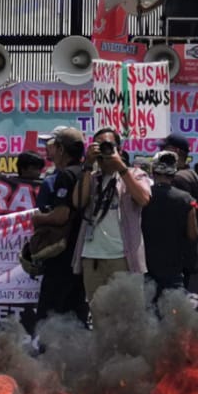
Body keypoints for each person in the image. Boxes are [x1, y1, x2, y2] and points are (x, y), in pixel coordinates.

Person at [71, 128, 152, 302]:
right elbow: (78, 202)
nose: (104, 150)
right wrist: (87, 164)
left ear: (119, 150)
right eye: (99, 146)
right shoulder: (92, 178)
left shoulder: (135, 175)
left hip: (123, 258)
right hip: (92, 257)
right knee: (99, 315)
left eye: (108, 146)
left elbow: (144, 199)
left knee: (126, 318)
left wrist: (121, 168)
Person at [31, 127, 88, 327]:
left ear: (62, 149)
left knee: (50, 314)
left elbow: (61, 215)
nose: (50, 150)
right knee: (76, 313)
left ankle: (45, 355)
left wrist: (37, 218)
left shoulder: (66, 175)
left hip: (62, 254)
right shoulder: (87, 174)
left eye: (54, 146)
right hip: (82, 254)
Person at [141, 150, 198, 300]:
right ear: (174, 173)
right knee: (173, 317)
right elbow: (193, 234)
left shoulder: (142, 197)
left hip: (145, 268)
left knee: (146, 317)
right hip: (173, 270)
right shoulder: (186, 199)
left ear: (153, 171)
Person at [160, 133, 198, 201]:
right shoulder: (191, 173)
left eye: (163, 149)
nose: (160, 152)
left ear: (176, 151)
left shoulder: (177, 178)